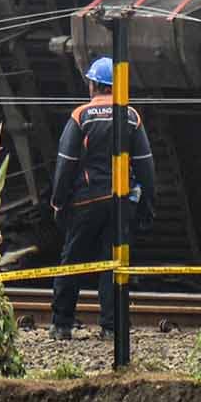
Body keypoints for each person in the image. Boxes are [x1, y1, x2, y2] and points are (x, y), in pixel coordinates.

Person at [47, 55, 153, 342]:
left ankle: (61, 324)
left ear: (94, 84)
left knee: (73, 261)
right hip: (121, 202)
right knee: (113, 263)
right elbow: (145, 163)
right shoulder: (131, 116)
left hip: (86, 202)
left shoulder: (80, 116)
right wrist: (147, 202)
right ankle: (111, 327)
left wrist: (58, 201)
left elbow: (66, 162)